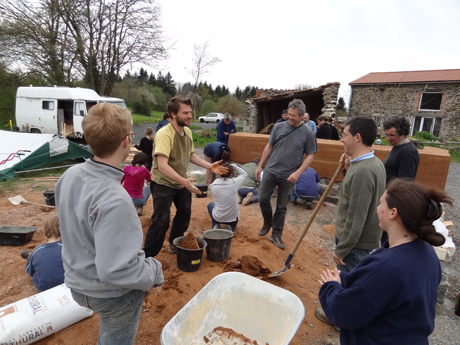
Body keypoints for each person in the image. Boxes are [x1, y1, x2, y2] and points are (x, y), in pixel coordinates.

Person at [55, 102, 164, 345]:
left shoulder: (69, 176)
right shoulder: (115, 199)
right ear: (127, 141)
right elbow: (115, 270)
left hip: (76, 284)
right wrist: (154, 271)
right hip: (111, 296)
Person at [318, 179, 452, 345]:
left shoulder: (388, 268)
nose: (377, 208)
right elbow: (379, 291)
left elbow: (344, 313)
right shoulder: (426, 251)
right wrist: (346, 280)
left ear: (392, 213)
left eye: (381, 203)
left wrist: (331, 286)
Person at [315, 116, 386, 329]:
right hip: (359, 240)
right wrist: (347, 168)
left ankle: (341, 321)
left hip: (355, 243)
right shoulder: (371, 162)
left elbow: (357, 216)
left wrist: (342, 248)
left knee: (349, 285)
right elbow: (356, 195)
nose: (342, 139)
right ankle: (340, 317)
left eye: (344, 134)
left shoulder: (364, 170)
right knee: (349, 282)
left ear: (357, 137)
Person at [144, 96, 228, 257]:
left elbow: (190, 156)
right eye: (186, 113)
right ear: (174, 114)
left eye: (190, 112)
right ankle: (148, 256)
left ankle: (174, 243)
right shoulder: (164, 134)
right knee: (161, 220)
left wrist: (209, 166)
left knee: (184, 214)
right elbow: (162, 165)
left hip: (181, 182)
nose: (190, 116)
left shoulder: (187, 132)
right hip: (162, 182)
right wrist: (184, 181)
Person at [256, 98, 317, 250]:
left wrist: (298, 173)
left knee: (282, 206)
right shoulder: (278, 127)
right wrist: (260, 165)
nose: (290, 117)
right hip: (271, 169)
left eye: (294, 115)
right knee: (263, 198)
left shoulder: (308, 134)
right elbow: (269, 147)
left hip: (289, 175)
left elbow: (310, 156)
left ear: (302, 116)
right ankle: (267, 222)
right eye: (289, 114)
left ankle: (276, 234)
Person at [381, 115, 420, 244]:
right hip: (390, 199)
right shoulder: (399, 147)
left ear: (403, 133)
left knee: (388, 240)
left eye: (391, 135)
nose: (388, 139)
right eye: (386, 135)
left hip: (395, 203)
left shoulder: (407, 152)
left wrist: (394, 207)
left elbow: (405, 183)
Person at [24, 215, 64, 292]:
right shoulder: (66, 249)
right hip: (65, 287)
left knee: (35, 260)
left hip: (42, 289)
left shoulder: (37, 250)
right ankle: (30, 256)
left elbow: (30, 271)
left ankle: (30, 256)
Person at [207, 163, 247, 231]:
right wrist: (234, 166)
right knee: (234, 213)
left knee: (211, 205)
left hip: (218, 216)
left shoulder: (213, 185)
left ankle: (215, 225)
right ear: (231, 174)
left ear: (219, 173)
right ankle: (230, 227)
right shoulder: (234, 183)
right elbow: (244, 174)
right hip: (232, 218)